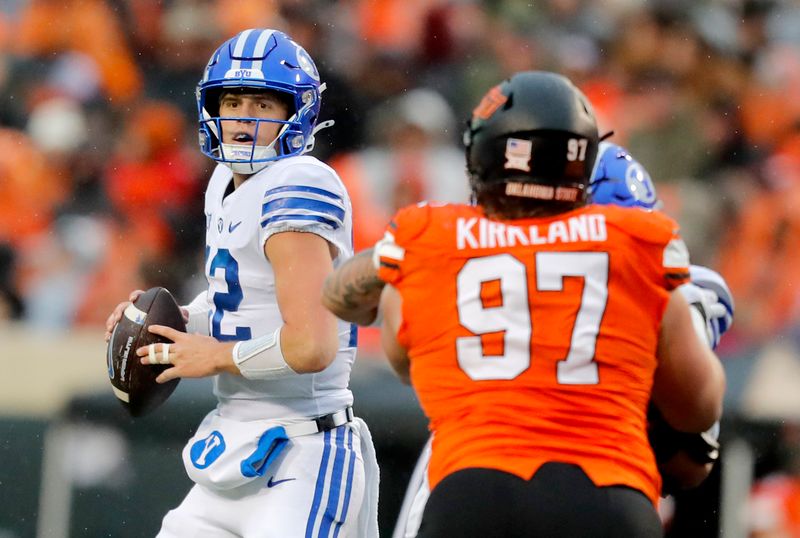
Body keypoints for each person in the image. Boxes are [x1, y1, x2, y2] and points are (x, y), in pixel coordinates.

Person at [322, 71, 726, 537]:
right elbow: (699, 407)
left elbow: (379, 336)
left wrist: (398, 259)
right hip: (609, 498)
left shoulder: (432, 236)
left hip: (474, 492)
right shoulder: (638, 242)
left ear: (484, 155)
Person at [104, 29, 378, 538]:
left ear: (299, 112)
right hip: (234, 442)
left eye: (262, 103)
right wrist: (175, 325)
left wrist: (213, 355)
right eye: (232, 101)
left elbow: (312, 345)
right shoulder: (223, 182)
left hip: (303, 452)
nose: (245, 119)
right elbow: (242, 298)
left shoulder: (299, 182)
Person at [389, 140, 734, 538]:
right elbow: (694, 459)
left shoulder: (458, 251)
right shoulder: (678, 290)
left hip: (474, 481)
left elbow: (402, 359)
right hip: (603, 493)